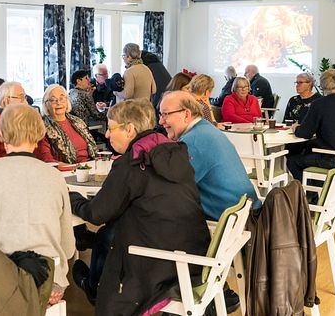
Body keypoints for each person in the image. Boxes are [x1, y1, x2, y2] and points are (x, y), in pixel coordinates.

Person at [69, 99, 210, 315]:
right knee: (111, 231)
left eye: (111, 128)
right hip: (191, 253)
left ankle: (93, 287)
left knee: (110, 233)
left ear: (129, 130)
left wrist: (72, 198)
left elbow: (96, 213)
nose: (106, 135)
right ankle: (92, 282)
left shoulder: (133, 162)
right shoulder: (174, 152)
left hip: (157, 264)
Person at [0, 104, 76, 306]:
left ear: (1, 133)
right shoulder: (55, 177)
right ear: (40, 133)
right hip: (46, 278)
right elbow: (67, 246)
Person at [159, 90, 260, 220]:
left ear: (186, 114)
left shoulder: (194, 141)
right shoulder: (206, 129)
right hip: (245, 213)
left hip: (232, 222)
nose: (161, 121)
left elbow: (170, 188)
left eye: (165, 114)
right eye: (160, 115)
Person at [287, 69, 335, 183]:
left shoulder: (318, 104)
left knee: (292, 161)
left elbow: (305, 133)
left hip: (332, 158)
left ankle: (311, 194)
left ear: (321, 85)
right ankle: (317, 188)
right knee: (310, 148)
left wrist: (296, 127)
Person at [35, 84, 98, 164]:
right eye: (53, 100)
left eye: (62, 98)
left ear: (67, 101)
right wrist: (74, 168)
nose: (58, 102)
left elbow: (93, 149)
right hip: (64, 172)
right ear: (46, 104)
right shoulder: (42, 127)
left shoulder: (78, 122)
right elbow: (47, 160)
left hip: (88, 167)